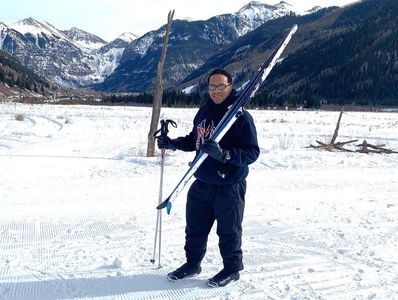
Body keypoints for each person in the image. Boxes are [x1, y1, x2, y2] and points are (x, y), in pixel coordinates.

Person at [157, 69, 259, 287]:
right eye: (212, 86)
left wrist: (225, 155)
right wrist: (173, 144)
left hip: (229, 186)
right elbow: (196, 141)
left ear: (230, 86)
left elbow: (252, 153)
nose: (216, 91)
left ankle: (232, 269)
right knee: (195, 228)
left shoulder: (240, 117)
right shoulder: (203, 112)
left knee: (229, 230)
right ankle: (192, 263)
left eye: (221, 86)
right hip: (201, 182)